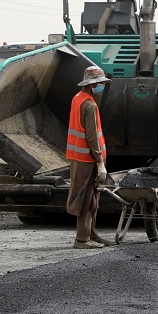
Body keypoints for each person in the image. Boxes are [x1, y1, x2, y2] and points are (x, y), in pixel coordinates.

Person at [66, 66, 111, 249]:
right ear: (93, 84)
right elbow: (92, 137)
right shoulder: (90, 105)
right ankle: (82, 240)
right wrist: (100, 163)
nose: (102, 86)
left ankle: (92, 234)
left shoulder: (78, 98)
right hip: (88, 160)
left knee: (92, 197)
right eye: (101, 83)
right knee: (86, 199)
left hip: (79, 158)